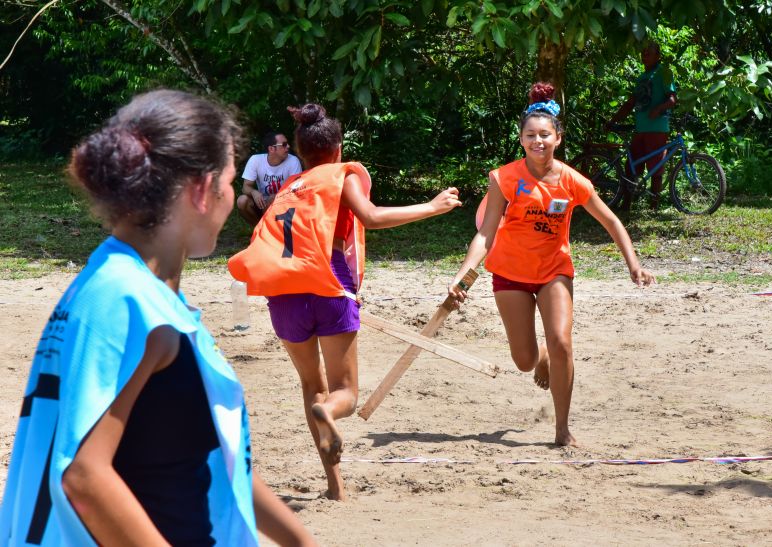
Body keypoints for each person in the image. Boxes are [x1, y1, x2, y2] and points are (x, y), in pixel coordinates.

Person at [0, 90, 315, 547]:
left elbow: (207, 450)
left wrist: (300, 540)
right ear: (202, 190)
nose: (232, 197)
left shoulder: (139, 293)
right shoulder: (124, 299)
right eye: (229, 182)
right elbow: (84, 477)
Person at [229, 103, 461, 501]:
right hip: (327, 278)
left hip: (283, 291)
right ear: (337, 148)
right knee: (345, 394)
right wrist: (432, 207)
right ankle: (330, 414)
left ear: (301, 152)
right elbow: (369, 216)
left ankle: (334, 486)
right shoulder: (341, 173)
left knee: (311, 385)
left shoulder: (288, 187)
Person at [449, 82, 655, 447]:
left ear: (558, 137)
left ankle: (562, 429)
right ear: (521, 139)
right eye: (531, 135)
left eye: (545, 134)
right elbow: (485, 233)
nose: (537, 141)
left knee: (562, 341)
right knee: (525, 360)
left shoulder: (573, 181)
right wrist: (464, 275)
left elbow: (611, 221)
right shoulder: (505, 178)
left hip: (553, 272)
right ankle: (540, 355)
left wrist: (633, 265)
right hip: (510, 274)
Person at [607, 41, 677, 210]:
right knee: (632, 166)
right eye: (643, 53)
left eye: (649, 53)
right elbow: (631, 103)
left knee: (656, 167)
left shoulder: (664, 73)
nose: (645, 56)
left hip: (657, 128)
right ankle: (627, 204)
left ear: (657, 56)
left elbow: (673, 99)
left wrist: (658, 109)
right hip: (640, 128)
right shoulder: (642, 77)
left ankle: (654, 206)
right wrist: (613, 120)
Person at [237, 131, 303, 226]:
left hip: (284, 205)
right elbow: (245, 187)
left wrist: (275, 197)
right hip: (262, 203)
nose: (288, 146)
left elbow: (295, 190)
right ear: (271, 149)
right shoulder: (255, 160)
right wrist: (254, 192)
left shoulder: (293, 161)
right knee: (242, 201)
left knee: (273, 198)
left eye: (287, 143)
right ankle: (259, 230)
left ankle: (266, 233)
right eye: (284, 145)